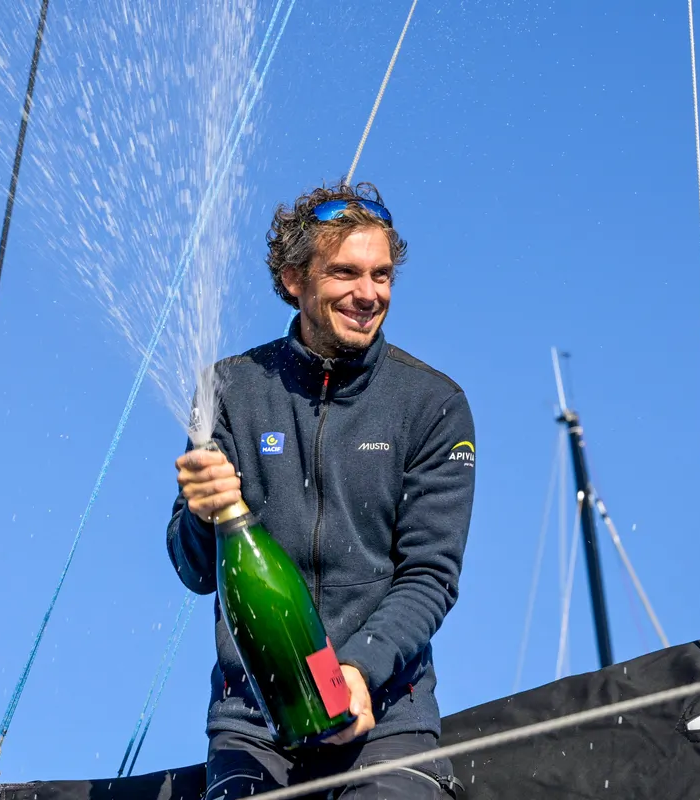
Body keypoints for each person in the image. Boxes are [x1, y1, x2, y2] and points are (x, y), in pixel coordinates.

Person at [167, 182, 475, 799]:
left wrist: (358, 672)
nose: (369, 294)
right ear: (293, 280)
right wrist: (204, 514)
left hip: (386, 720)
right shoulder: (228, 389)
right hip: (253, 727)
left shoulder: (433, 406)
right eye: (345, 273)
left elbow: (431, 575)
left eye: (382, 275)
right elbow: (196, 571)